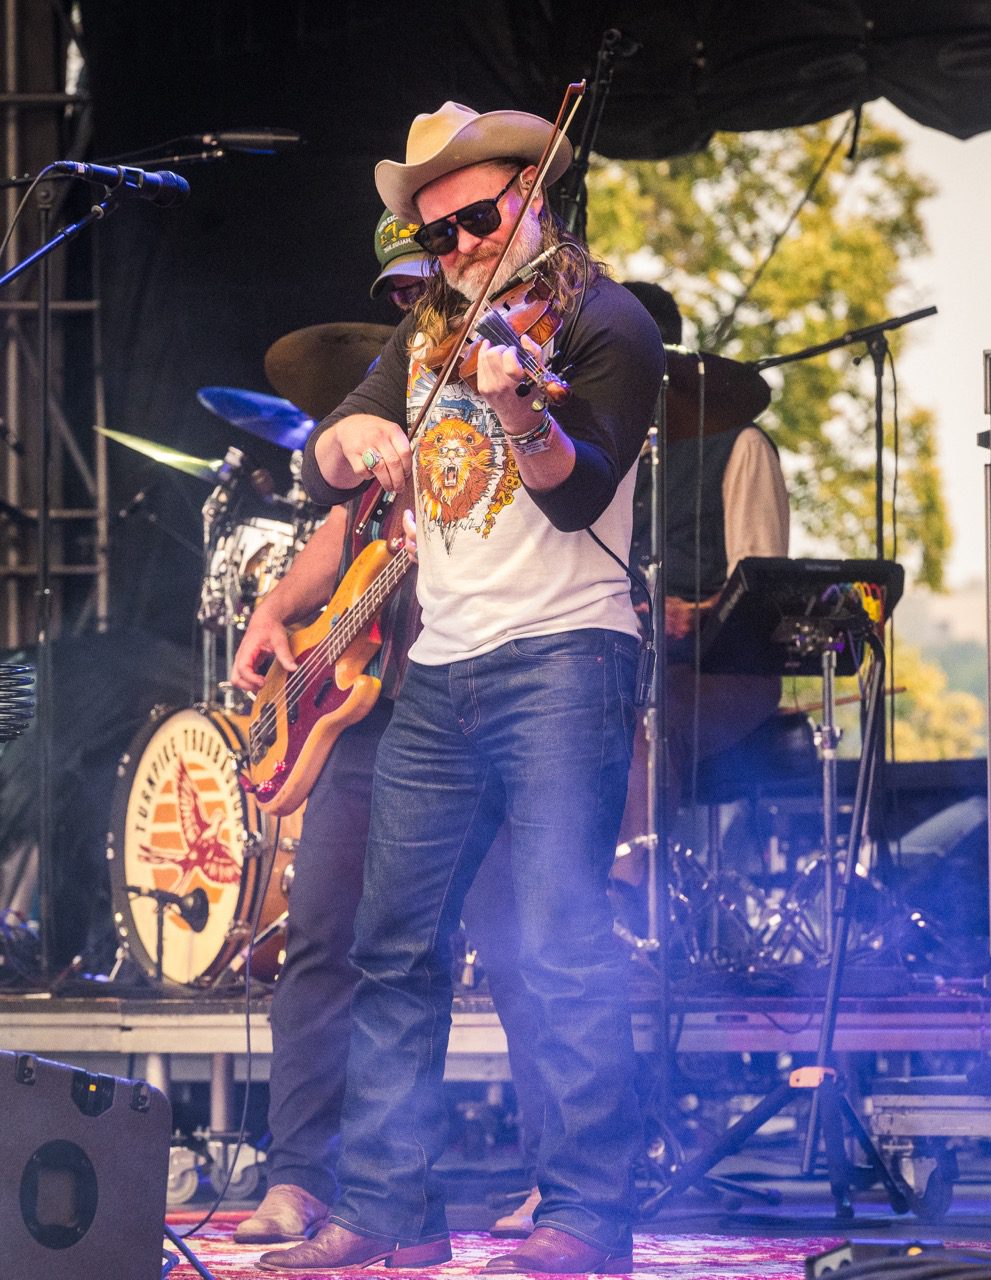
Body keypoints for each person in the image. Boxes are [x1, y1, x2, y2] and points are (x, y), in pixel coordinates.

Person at [257, 102, 664, 1274]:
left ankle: (585, 1209)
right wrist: (354, 447)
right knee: (394, 946)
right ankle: (386, 1204)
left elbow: (575, 492)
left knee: (550, 937)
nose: (462, 249)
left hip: (564, 657)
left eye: (478, 219)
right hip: (438, 667)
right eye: (439, 235)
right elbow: (321, 450)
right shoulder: (429, 329)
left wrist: (516, 407)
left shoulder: (606, 323)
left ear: (533, 194)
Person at [232, 211, 543, 1247]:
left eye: (430, 283)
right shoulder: (393, 406)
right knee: (323, 932)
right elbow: (337, 536)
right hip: (374, 717)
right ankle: (301, 1176)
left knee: (519, 943)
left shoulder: (506, 378)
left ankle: (558, 1179)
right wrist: (277, 609)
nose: (419, 303)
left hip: (485, 708)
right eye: (403, 293)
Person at [617, 281, 790, 849]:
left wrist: (695, 612)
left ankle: (633, 898)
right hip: (620, 663)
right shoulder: (599, 457)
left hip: (720, 676)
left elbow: (762, 596)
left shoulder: (740, 447)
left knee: (639, 715)